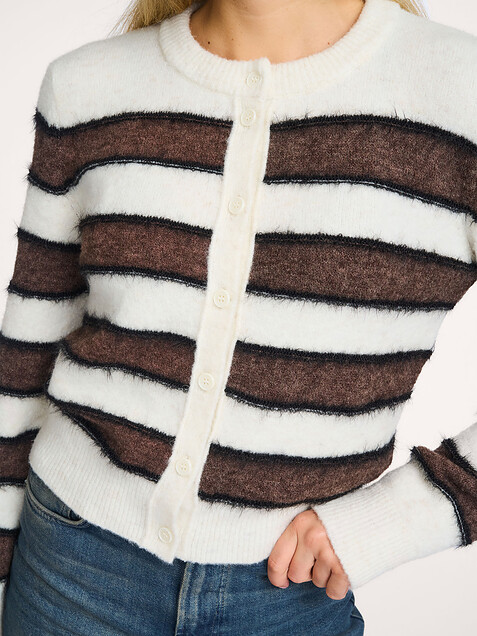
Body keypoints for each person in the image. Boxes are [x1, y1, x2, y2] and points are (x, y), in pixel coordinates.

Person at [1, 0, 476, 633]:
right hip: (66, 568)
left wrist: (403, 516)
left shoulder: (459, 93)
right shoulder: (87, 86)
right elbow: (27, 350)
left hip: (291, 598)